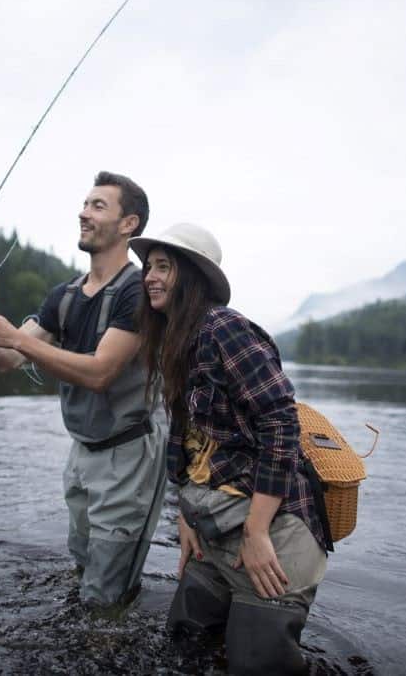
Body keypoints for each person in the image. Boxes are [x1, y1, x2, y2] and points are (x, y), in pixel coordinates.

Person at [0, 171, 166, 609]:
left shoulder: (139, 292)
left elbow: (101, 373)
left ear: (128, 224)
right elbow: (8, 358)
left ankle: (108, 644)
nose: (83, 213)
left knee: (105, 596)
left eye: (98, 205)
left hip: (130, 455)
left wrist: (18, 338)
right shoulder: (63, 296)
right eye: (84, 203)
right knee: (84, 569)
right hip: (82, 454)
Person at [129, 223, 327, 675]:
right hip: (214, 530)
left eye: (164, 267)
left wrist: (257, 532)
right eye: (148, 267)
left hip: (274, 534)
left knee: (257, 665)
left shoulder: (226, 329)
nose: (150, 277)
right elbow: (187, 441)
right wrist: (185, 515)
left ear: (193, 278)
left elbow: (281, 423)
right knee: (185, 644)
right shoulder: (175, 342)